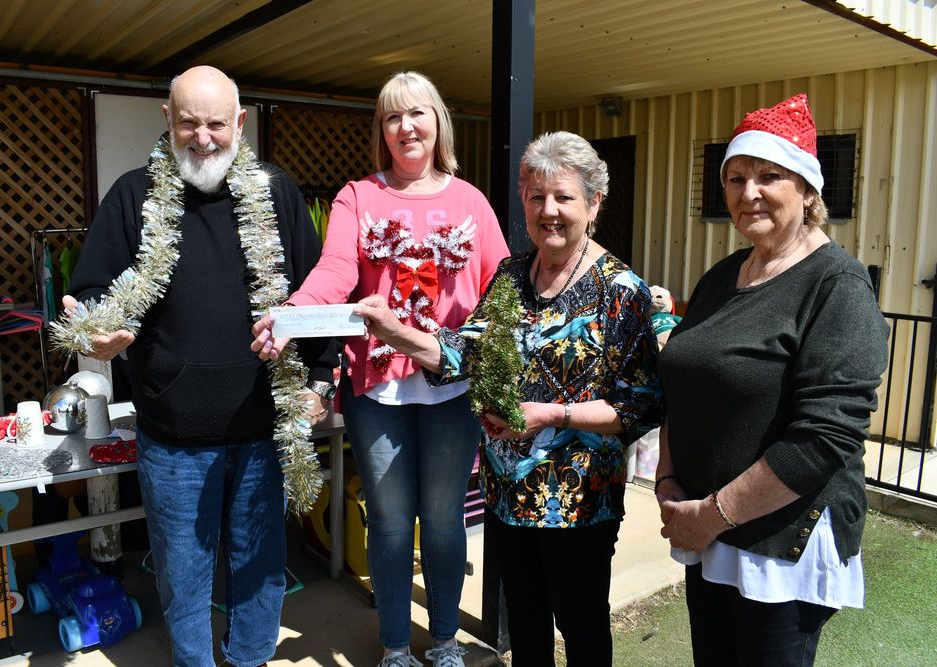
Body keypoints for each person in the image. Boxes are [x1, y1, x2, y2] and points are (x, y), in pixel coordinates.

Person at [352, 131, 664, 666]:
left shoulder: (621, 291)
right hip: (508, 498)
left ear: (593, 203)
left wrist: (548, 415)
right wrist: (390, 329)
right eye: (536, 196)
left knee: (582, 626)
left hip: (578, 505)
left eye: (564, 197)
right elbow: (461, 352)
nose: (549, 211)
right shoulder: (511, 276)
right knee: (526, 624)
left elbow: (638, 405)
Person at [63, 65, 339, 667]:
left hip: (265, 431)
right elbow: (89, 295)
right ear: (168, 120)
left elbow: (321, 295)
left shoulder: (277, 192)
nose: (203, 137)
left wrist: (320, 380)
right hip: (173, 436)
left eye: (217, 123)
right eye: (189, 122)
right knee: (184, 579)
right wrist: (94, 333)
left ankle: (250, 661)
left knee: (261, 568)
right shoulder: (133, 196)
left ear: (240, 123)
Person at [251, 71, 509, 667]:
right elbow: (336, 268)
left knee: (444, 522)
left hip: (453, 388)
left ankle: (443, 639)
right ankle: (395, 646)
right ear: (381, 132)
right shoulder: (358, 196)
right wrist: (292, 316)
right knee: (390, 524)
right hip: (377, 391)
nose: (406, 127)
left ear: (438, 121)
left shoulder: (470, 202)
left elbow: (503, 288)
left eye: (417, 113)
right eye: (392, 117)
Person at [655, 93, 890, 666]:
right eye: (735, 178)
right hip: (709, 532)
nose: (748, 192)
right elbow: (684, 387)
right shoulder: (721, 276)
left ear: (807, 190)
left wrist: (710, 515)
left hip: (779, 544)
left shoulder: (837, 285)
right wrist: (667, 484)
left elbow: (824, 439)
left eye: (768, 176)